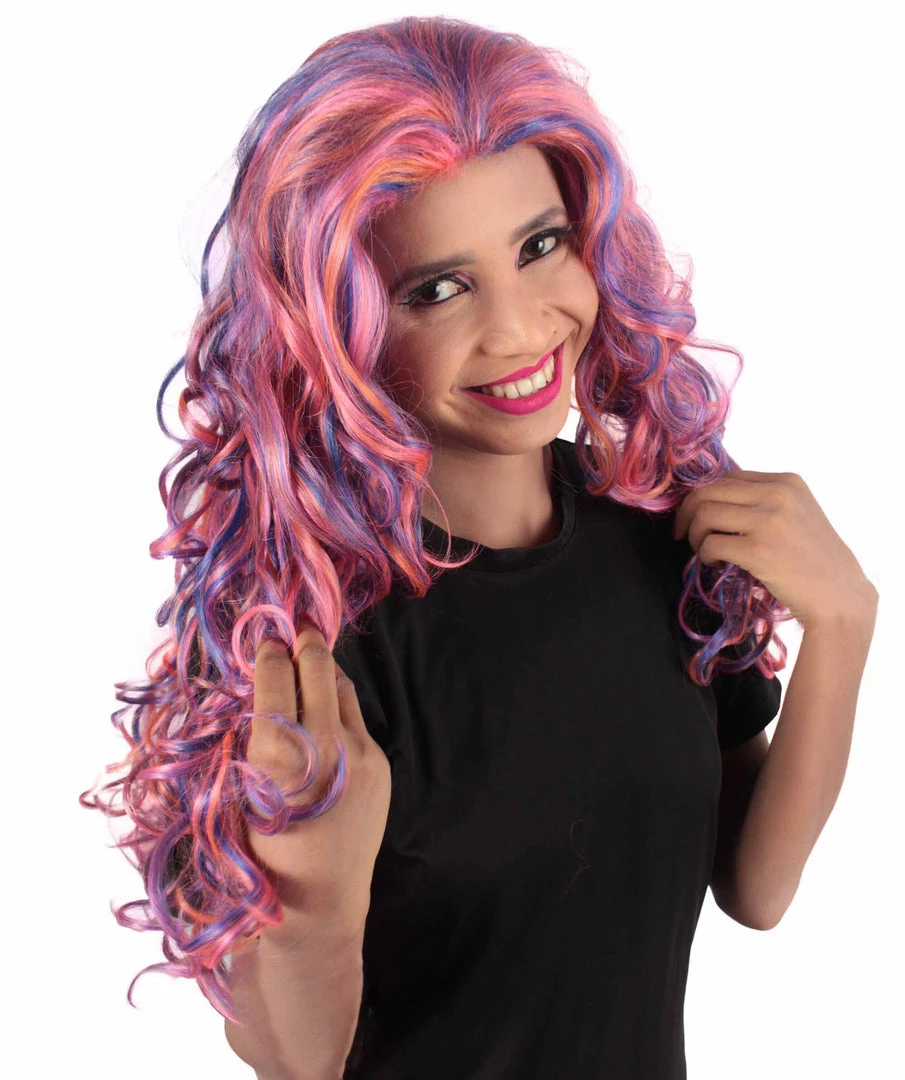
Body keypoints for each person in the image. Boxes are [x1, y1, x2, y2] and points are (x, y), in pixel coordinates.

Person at [80, 14, 879, 1080]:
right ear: (338, 330)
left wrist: (843, 623)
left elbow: (753, 886)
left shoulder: (659, 539)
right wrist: (313, 891)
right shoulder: (317, 636)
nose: (518, 329)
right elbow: (297, 1061)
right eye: (437, 289)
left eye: (539, 246)